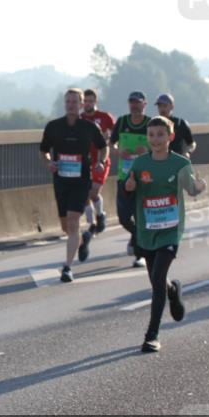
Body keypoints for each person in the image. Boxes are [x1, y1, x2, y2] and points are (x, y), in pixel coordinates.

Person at [124, 116, 206, 352]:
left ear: (170, 137)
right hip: (147, 231)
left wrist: (199, 187)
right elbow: (129, 188)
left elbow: (191, 189)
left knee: (157, 277)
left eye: (160, 135)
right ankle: (172, 290)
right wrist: (129, 187)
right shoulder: (139, 164)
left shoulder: (180, 164)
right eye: (151, 135)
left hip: (170, 230)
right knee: (157, 280)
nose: (156, 139)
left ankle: (152, 335)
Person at [40, 88, 108, 282]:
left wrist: (101, 161)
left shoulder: (89, 127)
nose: (71, 105)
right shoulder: (53, 126)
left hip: (81, 181)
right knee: (67, 227)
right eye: (68, 102)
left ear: (82, 104)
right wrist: (48, 163)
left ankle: (67, 267)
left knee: (72, 221)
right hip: (61, 181)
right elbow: (43, 150)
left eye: (75, 102)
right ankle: (80, 242)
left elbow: (103, 147)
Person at [110, 91, 150, 267]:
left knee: (141, 216)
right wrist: (119, 151)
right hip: (124, 176)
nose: (134, 106)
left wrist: (147, 151)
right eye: (131, 102)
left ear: (144, 104)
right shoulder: (122, 122)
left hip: (144, 178)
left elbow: (161, 146)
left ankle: (140, 254)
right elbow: (111, 144)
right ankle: (136, 235)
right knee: (124, 218)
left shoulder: (150, 123)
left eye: (137, 102)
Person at [80, 88, 115, 235]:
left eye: (90, 101)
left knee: (93, 192)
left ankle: (100, 214)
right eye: (85, 101)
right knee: (84, 194)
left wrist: (109, 139)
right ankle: (91, 224)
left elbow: (115, 134)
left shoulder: (105, 117)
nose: (87, 104)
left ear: (95, 101)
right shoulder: (79, 119)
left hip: (100, 160)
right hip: (84, 161)